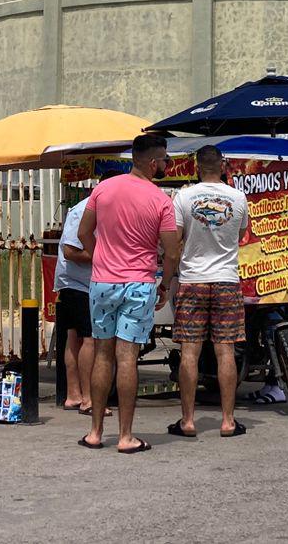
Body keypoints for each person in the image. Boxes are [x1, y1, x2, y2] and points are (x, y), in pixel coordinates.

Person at [78, 134, 181, 454]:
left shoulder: (103, 189)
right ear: (153, 163)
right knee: (127, 358)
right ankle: (125, 436)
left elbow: (84, 232)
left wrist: (100, 258)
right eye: (164, 160)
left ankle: (95, 432)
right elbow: (172, 250)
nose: (166, 164)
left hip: (102, 284)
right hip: (138, 284)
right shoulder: (160, 200)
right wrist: (164, 283)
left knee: (102, 354)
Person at [168, 146, 250, 438]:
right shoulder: (238, 197)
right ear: (223, 165)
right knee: (225, 351)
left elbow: (175, 240)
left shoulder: (184, 197)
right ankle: (228, 421)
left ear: (196, 165)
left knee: (189, 351)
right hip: (227, 280)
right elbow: (240, 235)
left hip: (193, 280)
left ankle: (187, 421)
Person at [55, 170, 121, 414]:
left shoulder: (93, 208)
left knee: (74, 339)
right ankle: (89, 399)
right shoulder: (86, 210)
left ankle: (74, 395)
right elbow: (71, 251)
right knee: (90, 339)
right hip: (78, 283)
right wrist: (104, 258)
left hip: (75, 283)